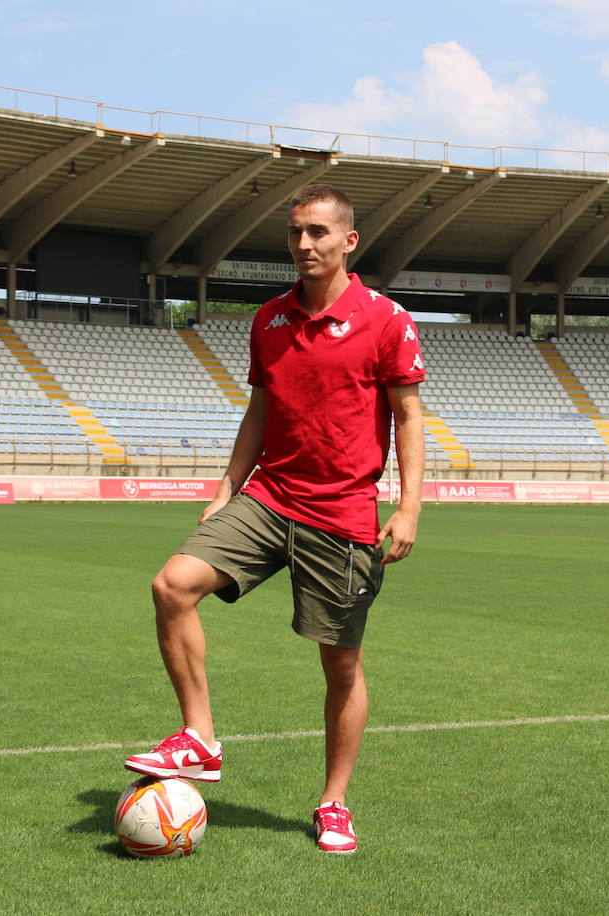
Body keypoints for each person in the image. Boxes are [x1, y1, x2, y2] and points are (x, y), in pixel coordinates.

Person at [124, 183, 426, 854]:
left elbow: (408, 416)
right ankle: (199, 738)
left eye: (318, 232)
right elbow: (259, 411)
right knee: (172, 585)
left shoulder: (386, 319)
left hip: (344, 512)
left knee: (341, 667)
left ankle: (334, 803)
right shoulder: (268, 319)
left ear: (349, 241)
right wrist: (227, 486)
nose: (304, 244)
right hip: (269, 495)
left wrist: (407, 507)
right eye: (295, 232)